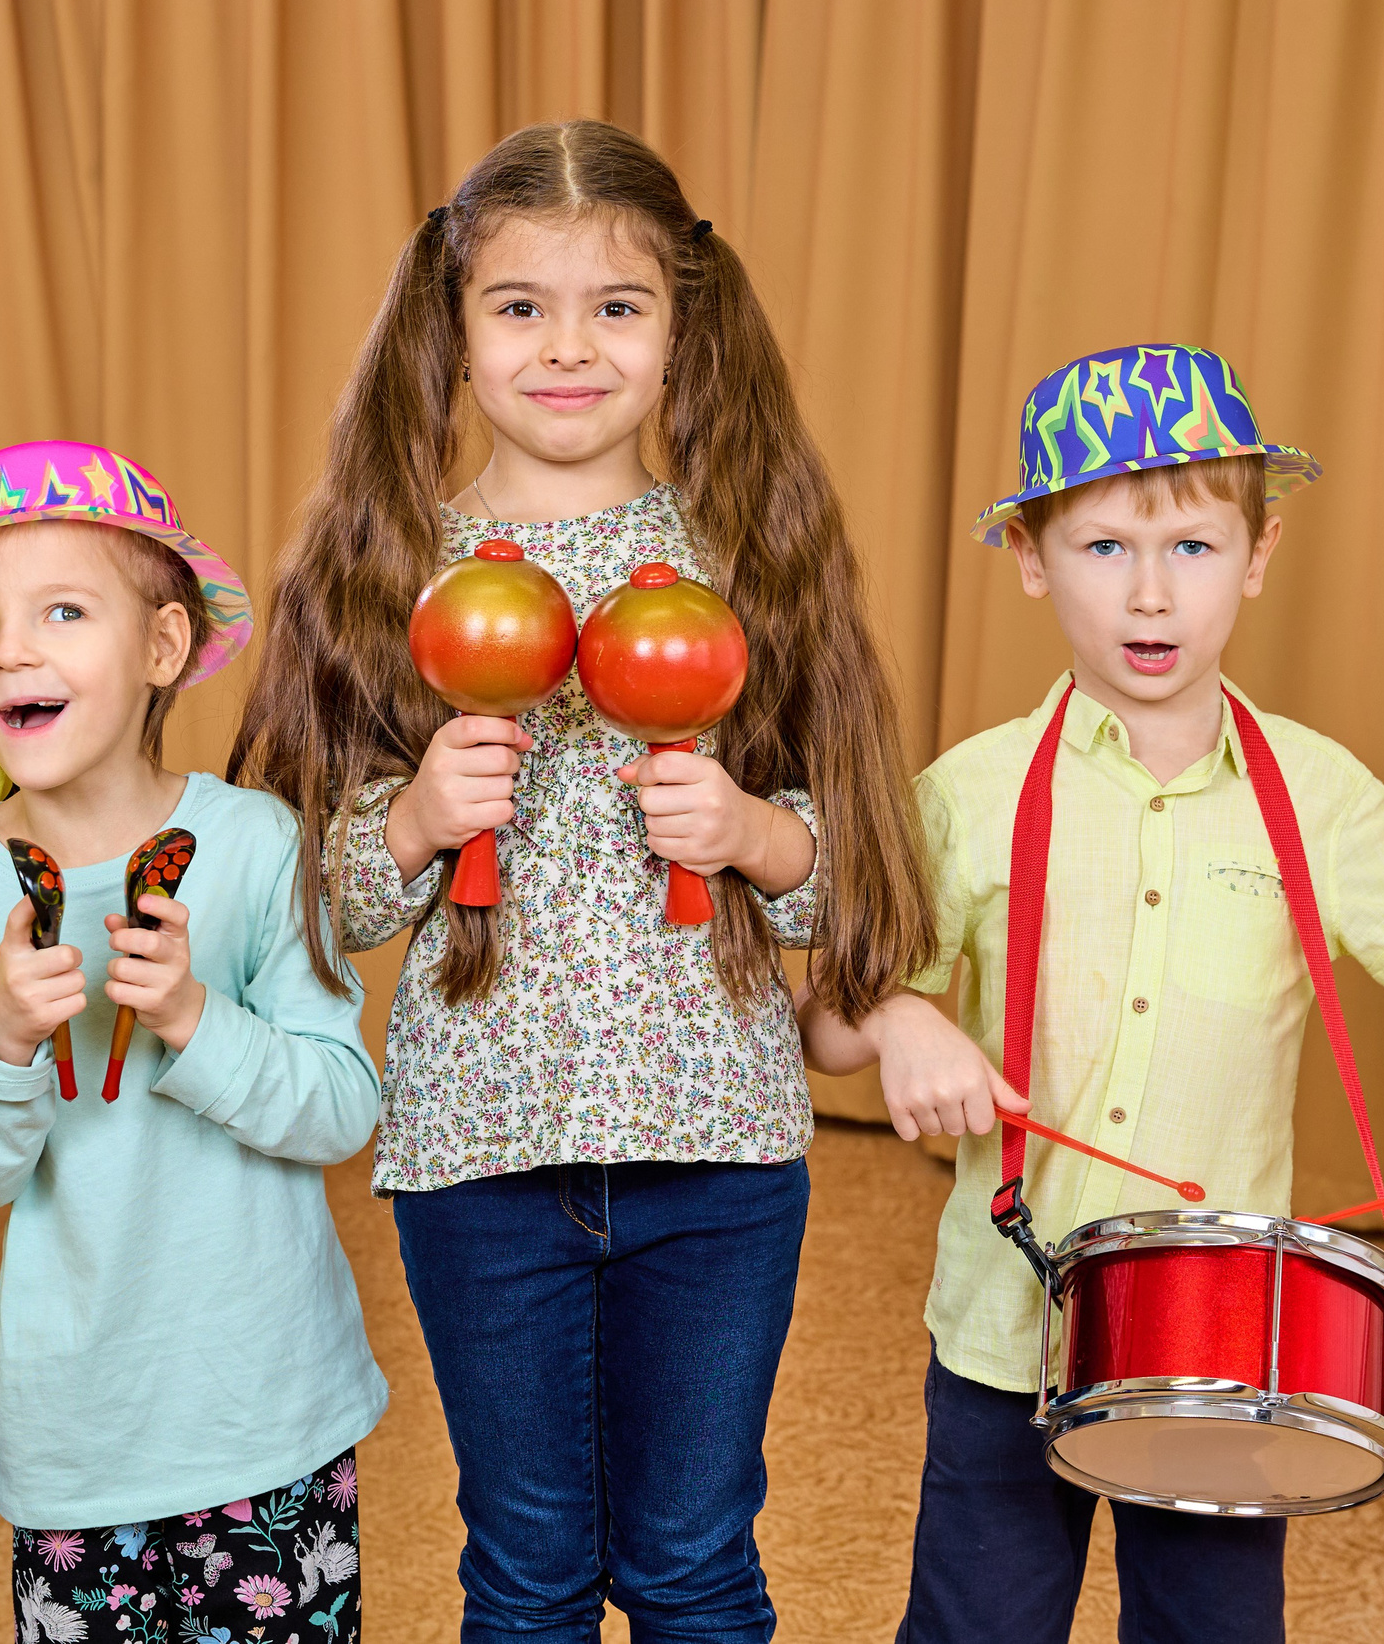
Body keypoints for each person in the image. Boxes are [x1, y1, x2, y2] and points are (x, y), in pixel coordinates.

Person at [228, 120, 936, 1643]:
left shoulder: (748, 553)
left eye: (616, 306)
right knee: (531, 1565)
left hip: (721, 1142)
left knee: (693, 1558)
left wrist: (750, 832)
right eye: (519, 306)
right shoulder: (384, 564)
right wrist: (414, 818)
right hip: (480, 1147)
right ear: (454, 334)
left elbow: (851, 882)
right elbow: (298, 909)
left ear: (685, 332)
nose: (568, 345)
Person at [798, 343, 1384, 1643]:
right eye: (1103, 548)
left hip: (1225, 1352)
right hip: (1004, 1336)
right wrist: (903, 1017)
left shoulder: (1320, 793)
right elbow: (829, 1014)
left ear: (1258, 553)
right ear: (1033, 557)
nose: (1151, 595)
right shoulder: (969, 795)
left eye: (1195, 548)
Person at [0, 440, 384, 1644]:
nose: (12, 649)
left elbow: (342, 1107)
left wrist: (195, 1021)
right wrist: (0, 1036)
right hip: (75, 1438)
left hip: (270, 1417)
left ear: (162, 646)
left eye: (62, 610)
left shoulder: (258, 846)